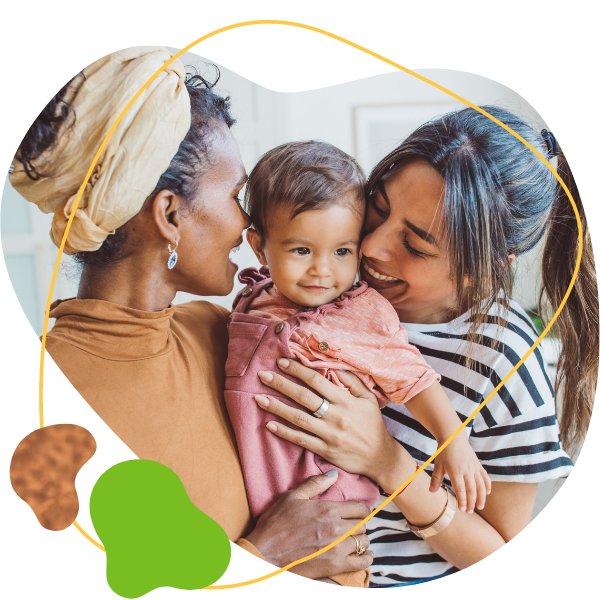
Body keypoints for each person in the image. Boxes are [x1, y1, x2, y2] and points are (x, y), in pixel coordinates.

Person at [9, 46, 374, 588]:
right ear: (170, 215)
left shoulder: (222, 331)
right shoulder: (52, 396)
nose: (248, 219)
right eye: (234, 193)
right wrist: (263, 555)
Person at [249, 105, 598, 587]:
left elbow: (494, 548)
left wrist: (387, 462)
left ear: (484, 267)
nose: (371, 247)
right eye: (379, 206)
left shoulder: (503, 357)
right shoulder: (322, 278)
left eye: (415, 246)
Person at [224, 140, 491, 532]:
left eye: (343, 252)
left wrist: (454, 443)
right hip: (260, 490)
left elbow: (412, 377)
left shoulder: (357, 312)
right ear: (259, 247)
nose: (322, 270)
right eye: (301, 250)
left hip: (328, 498)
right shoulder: (253, 295)